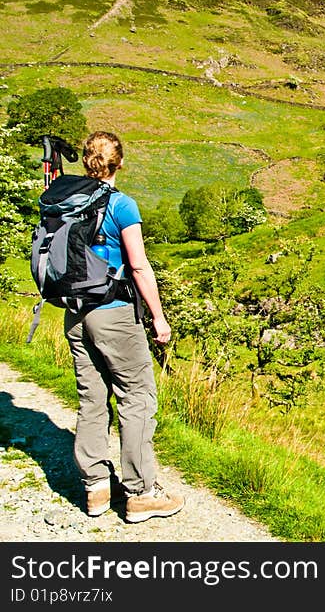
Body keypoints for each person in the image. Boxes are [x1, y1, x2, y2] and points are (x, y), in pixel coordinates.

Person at [64, 130, 184, 523]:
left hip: (75, 313)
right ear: (120, 162)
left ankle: (96, 488)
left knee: (92, 398)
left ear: (86, 161)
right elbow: (137, 265)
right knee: (136, 397)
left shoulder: (66, 201)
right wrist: (158, 316)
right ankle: (141, 492)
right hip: (113, 312)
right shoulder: (122, 206)